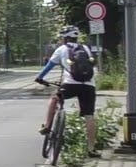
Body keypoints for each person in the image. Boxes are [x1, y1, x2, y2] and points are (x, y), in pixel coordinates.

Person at [35, 25, 100, 158]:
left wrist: (40, 78)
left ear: (64, 38)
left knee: (54, 98)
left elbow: (49, 66)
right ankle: (91, 148)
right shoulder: (86, 48)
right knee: (89, 116)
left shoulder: (62, 49)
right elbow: (93, 65)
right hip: (89, 85)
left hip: (70, 84)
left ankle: (47, 126)